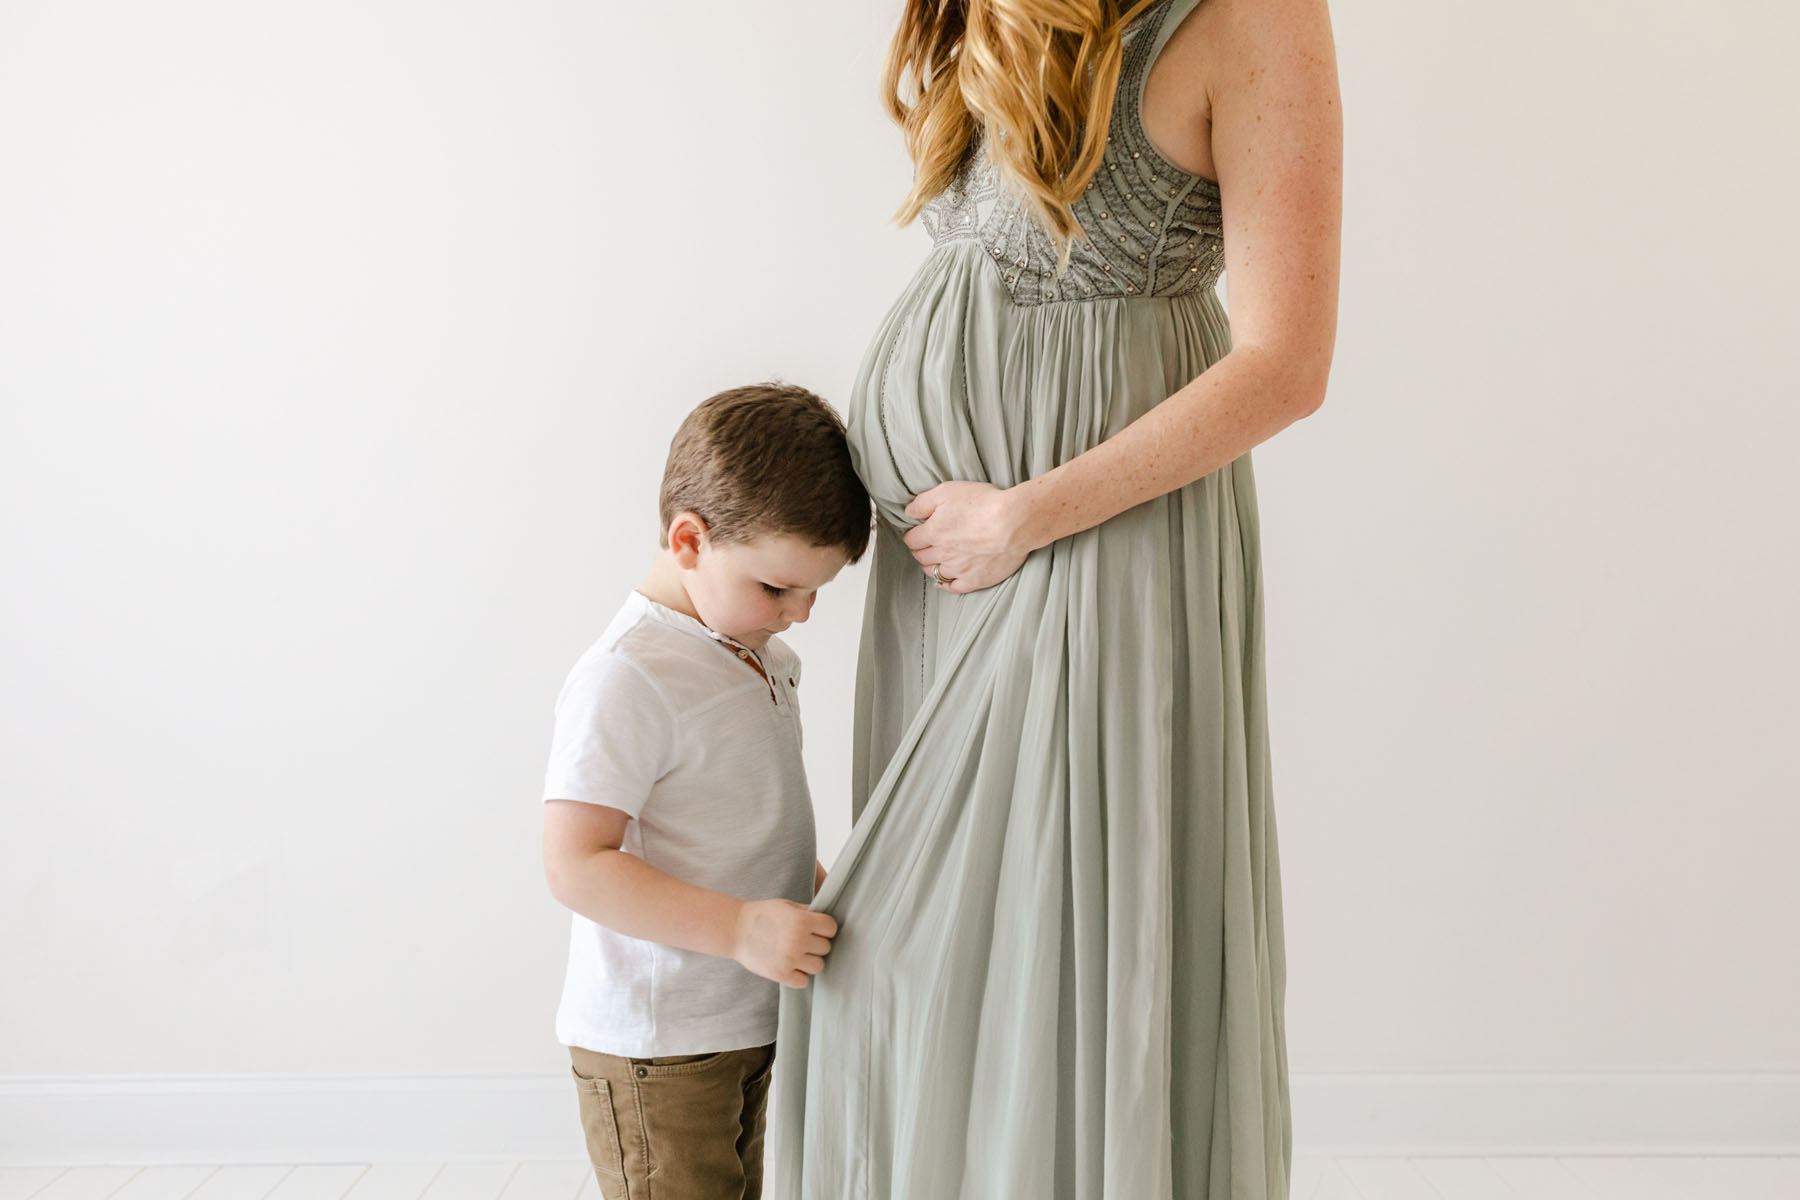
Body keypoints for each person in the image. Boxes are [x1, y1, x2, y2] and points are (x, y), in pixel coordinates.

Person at [768, 0, 1341, 1196]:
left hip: (1096, 548)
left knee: (1059, 932)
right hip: (949, 584)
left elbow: (1286, 365)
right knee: (929, 948)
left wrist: (1027, 515)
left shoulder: (1258, 16)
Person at [541, 382, 873, 1198]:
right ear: (689, 538)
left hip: (740, 1019)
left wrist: (811, 890)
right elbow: (575, 864)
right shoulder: (628, 676)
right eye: (776, 588)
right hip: (658, 1046)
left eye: (815, 592)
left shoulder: (751, 650)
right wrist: (736, 927)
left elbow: (735, 819)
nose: (799, 614)